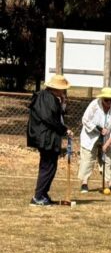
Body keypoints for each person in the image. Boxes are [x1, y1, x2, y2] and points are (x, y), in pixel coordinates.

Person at [26, 74, 73, 206]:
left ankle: (43, 194)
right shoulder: (46, 98)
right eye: (62, 88)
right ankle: (38, 196)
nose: (64, 91)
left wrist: (63, 103)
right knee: (47, 166)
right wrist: (64, 130)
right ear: (56, 88)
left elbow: (56, 116)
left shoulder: (51, 98)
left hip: (49, 137)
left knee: (51, 166)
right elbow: (49, 119)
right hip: (46, 137)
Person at [79, 87, 111, 193]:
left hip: (108, 138)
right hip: (90, 136)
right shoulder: (94, 105)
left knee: (108, 160)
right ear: (102, 98)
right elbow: (85, 119)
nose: (109, 102)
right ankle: (84, 183)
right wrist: (98, 128)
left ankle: (110, 183)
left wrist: (107, 143)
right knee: (88, 159)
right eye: (106, 99)